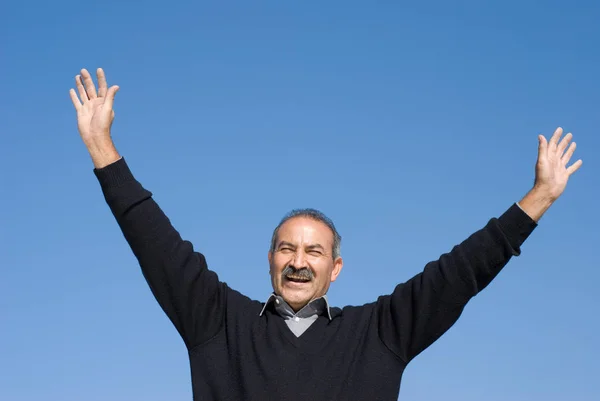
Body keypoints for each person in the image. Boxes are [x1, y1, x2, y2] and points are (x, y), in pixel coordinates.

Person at [69, 68, 583, 401]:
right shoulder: (219, 323)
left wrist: (537, 199)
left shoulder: (379, 333)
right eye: (287, 248)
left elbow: (458, 274)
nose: (298, 260)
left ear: (335, 268)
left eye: (314, 251)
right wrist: (101, 148)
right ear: (269, 259)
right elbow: (155, 242)